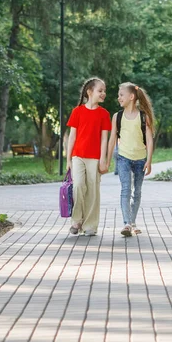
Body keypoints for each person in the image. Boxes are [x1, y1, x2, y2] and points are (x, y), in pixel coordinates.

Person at [106, 82, 155, 237]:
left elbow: (149, 139)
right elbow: (112, 139)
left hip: (140, 159)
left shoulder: (143, 117)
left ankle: (132, 221)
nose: (118, 97)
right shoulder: (117, 116)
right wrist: (107, 161)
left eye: (121, 95)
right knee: (126, 189)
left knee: (137, 192)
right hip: (123, 158)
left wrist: (149, 160)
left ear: (131, 97)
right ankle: (127, 223)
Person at [66, 77, 111, 236]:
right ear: (89, 92)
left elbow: (104, 138)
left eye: (104, 91)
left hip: (95, 158)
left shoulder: (104, 114)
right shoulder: (77, 111)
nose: (103, 93)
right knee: (78, 186)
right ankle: (77, 220)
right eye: (100, 90)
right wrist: (68, 159)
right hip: (77, 156)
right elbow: (72, 136)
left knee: (93, 191)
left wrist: (103, 159)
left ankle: (90, 225)